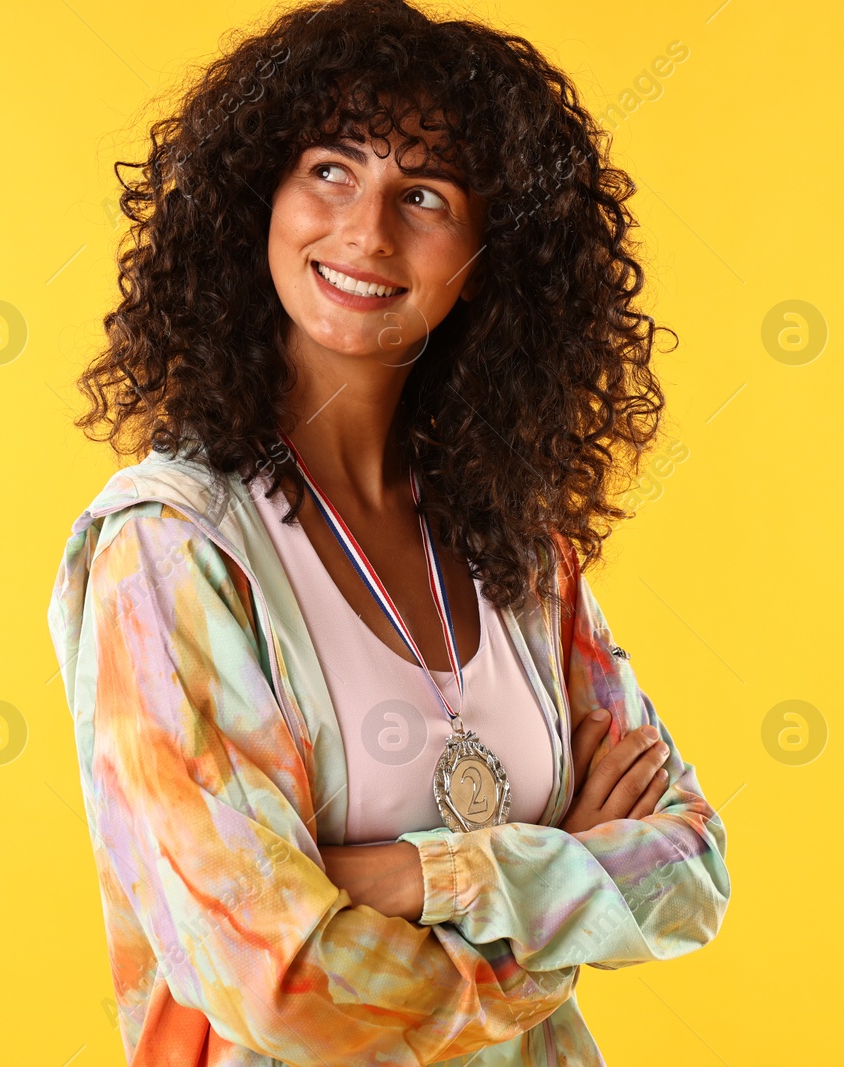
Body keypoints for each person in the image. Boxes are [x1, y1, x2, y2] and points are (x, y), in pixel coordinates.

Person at [44, 1, 731, 1064]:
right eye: (330, 169)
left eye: (425, 195)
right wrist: (557, 895)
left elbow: (688, 870)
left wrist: (418, 875)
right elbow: (280, 981)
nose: (366, 232)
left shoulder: (517, 545)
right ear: (256, 196)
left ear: (491, 256)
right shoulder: (174, 549)